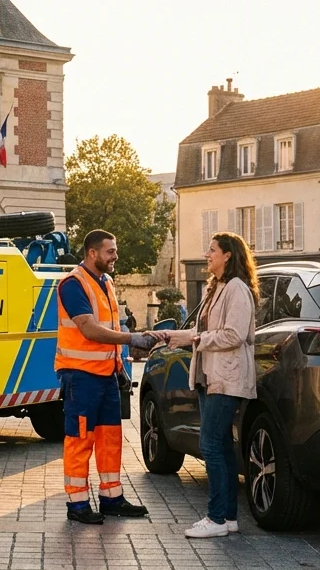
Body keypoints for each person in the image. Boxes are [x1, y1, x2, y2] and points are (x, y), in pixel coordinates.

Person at [56, 229, 162, 524]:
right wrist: (131, 340)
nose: (115, 256)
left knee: (110, 439)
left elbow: (108, 327)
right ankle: (77, 505)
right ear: (92, 253)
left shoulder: (106, 282)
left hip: (105, 376)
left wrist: (119, 366)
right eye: (110, 251)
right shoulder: (73, 284)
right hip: (81, 377)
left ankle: (111, 498)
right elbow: (89, 329)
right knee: (80, 440)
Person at [161, 231, 258, 538]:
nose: (207, 254)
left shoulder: (237, 289)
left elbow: (234, 335)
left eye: (212, 250)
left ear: (228, 255)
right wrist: (180, 336)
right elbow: (207, 331)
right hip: (210, 376)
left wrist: (196, 339)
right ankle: (227, 518)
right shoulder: (216, 288)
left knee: (211, 446)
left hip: (226, 378)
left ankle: (216, 518)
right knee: (222, 448)